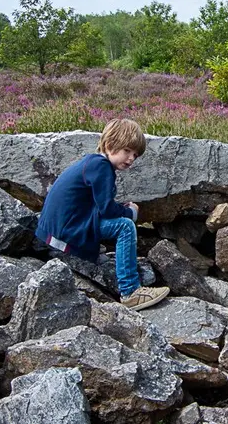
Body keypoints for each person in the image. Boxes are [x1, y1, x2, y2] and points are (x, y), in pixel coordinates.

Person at [35, 118, 170, 311]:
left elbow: (99, 205)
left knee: (120, 220)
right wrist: (130, 212)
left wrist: (120, 208)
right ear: (109, 144)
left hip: (54, 228)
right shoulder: (102, 167)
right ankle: (131, 291)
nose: (131, 158)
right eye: (127, 151)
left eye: (136, 155)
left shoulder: (92, 163)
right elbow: (106, 209)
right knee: (125, 226)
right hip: (65, 230)